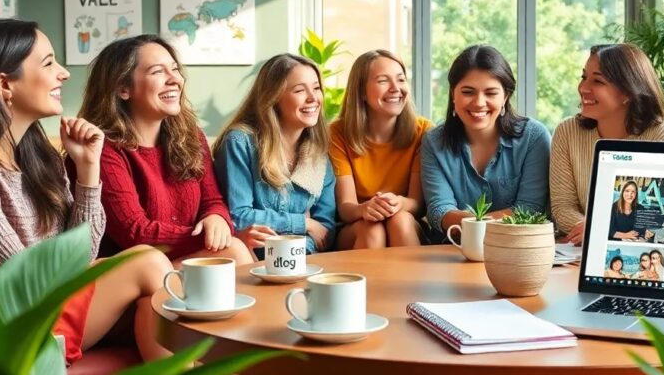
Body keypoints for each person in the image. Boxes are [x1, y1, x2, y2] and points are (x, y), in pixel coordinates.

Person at [0, 20, 175, 374]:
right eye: (49, 63)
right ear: (5, 84)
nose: (64, 73)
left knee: (166, 315)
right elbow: (23, 277)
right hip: (21, 324)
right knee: (147, 262)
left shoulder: (37, 154)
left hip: (57, 304)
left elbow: (80, 253)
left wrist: (88, 168)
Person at [77, 34, 272, 375]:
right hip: (129, 297)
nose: (174, 79)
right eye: (157, 71)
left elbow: (214, 201)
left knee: (227, 258)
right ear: (122, 89)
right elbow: (135, 232)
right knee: (223, 262)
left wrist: (216, 217)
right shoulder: (105, 148)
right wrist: (207, 237)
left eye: (175, 70)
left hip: (175, 278)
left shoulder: (191, 137)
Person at [552, 44, 664, 245]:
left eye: (598, 81)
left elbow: (654, 214)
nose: (583, 88)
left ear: (628, 92)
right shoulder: (567, 131)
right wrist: (595, 230)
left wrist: (603, 230)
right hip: (579, 251)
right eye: (584, 77)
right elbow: (562, 207)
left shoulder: (661, 134)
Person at [421, 45, 551, 239]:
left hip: (516, 250)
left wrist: (475, 225)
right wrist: (481, 225)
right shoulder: (434, 142)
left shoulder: (534, 137)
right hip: (452, 252)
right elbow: (439, 210)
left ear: (505, 96)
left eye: (491, 93)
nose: (479, 102)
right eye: (468, 92)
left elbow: (529, 209)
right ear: (452, 94)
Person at [213, 54, 338, 255]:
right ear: (273, 98)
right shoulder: (240, 142)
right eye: (299, 90)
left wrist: (294, 253)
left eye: (316, 88)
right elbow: (238, 216)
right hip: (250, 260)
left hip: (301, 260)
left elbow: (324, 228)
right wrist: (302, 223)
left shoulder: (318, 154)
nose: (313, 98)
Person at [329, 50, 432, 249]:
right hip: (357, 226)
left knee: (400, 220)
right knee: (372, 228)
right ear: (361, 92)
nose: (396, 88)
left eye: (401, 80)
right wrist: (365, 209)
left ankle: (412, 281)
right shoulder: (337, 133)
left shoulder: (423, 131)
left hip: (406, 220)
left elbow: (418, 204)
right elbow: (345, 208)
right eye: (383, 81)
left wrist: (396, 203)